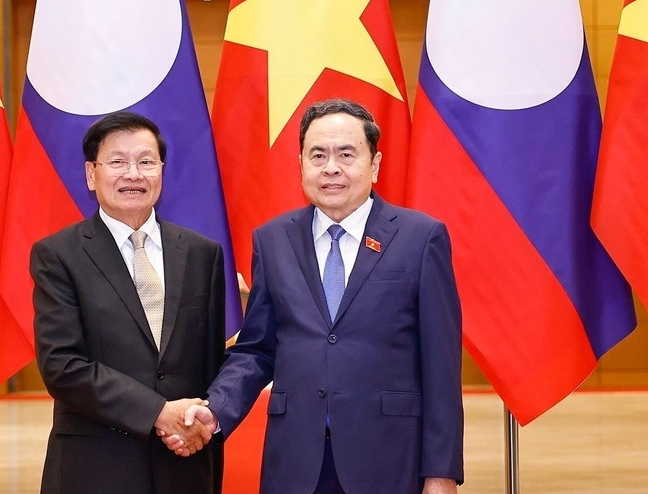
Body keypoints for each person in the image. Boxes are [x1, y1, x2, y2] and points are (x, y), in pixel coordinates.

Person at [165, 99, 464, 493]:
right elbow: (257, 349)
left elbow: (441, 366)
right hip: (296, 463)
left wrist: (440, 473)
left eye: (346, 154)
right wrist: (215, 411)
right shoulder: (272, 240)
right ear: (301, 165)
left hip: (389, 461)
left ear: (374, 165)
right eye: (318, 155)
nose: (331, 168)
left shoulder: (420, 238)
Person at [31, 111, 226, 494]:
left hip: (185, 464)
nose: (133, 174)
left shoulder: (204, 254)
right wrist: (157, 412)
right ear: (92, 174)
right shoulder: (58, 255)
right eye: (117, 162)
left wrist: (198, 421)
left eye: (146, 161)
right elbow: (62, 365)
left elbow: (211, 364)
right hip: (97, 466)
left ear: (161, 171)